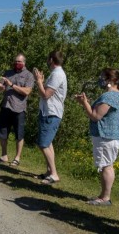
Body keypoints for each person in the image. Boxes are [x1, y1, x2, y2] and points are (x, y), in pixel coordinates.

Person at [74, 68, 119, 205]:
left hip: (106, 136)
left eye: (103, 77)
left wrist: (84, 103)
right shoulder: (116, 95)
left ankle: (105, 198)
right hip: (110, 136)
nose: (100, 80)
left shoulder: (110, 96)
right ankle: (103, 195)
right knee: (106, 165)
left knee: (106, 166)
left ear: (111, 80)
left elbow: (95, 116)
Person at [33, 50, 67, 185]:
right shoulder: (55, 74)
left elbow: (46, 94)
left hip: (52, 113)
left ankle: (54, 174)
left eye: (48, 59)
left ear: (52, 60)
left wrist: (39, 81)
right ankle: (49, 171)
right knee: (48, 143)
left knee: (43, 144)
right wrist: (41, 81)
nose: (47, 61)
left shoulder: (57, 74)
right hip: (47, 112)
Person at [0, 54, 34, 167]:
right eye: (15, 61)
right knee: (2, 132)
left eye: (19, 62)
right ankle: (4, 155)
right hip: (6, 106)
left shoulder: (29, 75)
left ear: (24, 63)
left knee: (19, 134)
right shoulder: (8, 73)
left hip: (19, 108)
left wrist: (12, 85)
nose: (17, 63)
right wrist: (0, 87)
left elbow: (27, 91)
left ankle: (17, 158)